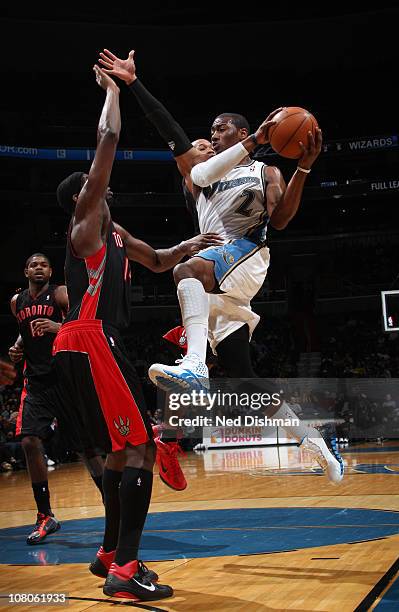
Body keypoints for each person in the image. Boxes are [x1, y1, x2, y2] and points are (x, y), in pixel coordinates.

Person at [98, 49, 344, 485]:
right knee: (247, 380)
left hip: (246, 254)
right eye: (208, 131)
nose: (210, 134)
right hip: (219, 274)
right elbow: (168, 128)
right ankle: (314, 444)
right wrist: (135, 85)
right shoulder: (200, 171)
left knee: (185, 272)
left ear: (244, 131)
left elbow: (282, 219)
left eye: (219, 127)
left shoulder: (266, 170)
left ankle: (189, 381)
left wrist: (303, 165)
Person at [53, 65, 220, 602]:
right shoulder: (85, 225)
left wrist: (195, 244)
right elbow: (108, 137)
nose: (103, 187)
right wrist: (112, 92)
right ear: (85, 198)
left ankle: (109, 554)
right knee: (143, 449)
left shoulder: (115, 235)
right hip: (90, 338)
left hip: (92, 342)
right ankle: (126, 572)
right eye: (95, 187)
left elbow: (158, 259)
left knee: (124, 453)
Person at [8, 253, 105, 544]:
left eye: (44, 264)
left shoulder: (60, 294)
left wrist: (57, 328)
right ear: (25, 270)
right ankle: (45, 516)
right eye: (33, 264)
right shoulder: (17, 302)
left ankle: (113, 505)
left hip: (66, 379)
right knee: (28, 441)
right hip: (36, 381)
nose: (38, 268)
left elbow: (85, 326)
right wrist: (16, 347)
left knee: (86, 449)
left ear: (50, 271)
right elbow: (25, 333)